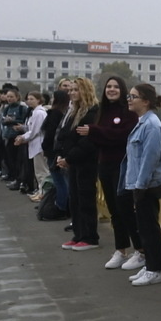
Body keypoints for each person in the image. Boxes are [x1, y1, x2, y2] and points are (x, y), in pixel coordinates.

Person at [83, 76, 143, 272]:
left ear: (123, 89)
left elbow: (121, 136)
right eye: (108, 86)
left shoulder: (128, 112)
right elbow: (104, 136)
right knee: (113, 210)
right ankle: (121, 249)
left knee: (125, 207)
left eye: (116, 86)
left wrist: (95, 132)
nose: (111, 90)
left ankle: (140, 250)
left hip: (122, 165)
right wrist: (99, 133)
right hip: (105, 163)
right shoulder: (103, 112)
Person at [121, 83, 161, 286]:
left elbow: (150, 158)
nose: (129, 100)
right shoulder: (144, 122)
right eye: (129, 96)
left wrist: (140, 187)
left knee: (149, 228)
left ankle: (156, 269)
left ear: (146, 101)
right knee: (144, 227)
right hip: (139, 183)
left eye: (134, 96)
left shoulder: (151, 125)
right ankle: (150, 264)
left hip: (146, 185)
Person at [55, 78, 101, 251]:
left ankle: (90, 237)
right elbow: (66, 135)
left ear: (85, 91)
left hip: (86, 162)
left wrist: (69, 157)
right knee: (74, 199)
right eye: (71, 90)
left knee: (85, 199)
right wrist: (63, 156)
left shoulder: (93, 111)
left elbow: (87, 142)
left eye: (76, 90)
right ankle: (78, 234)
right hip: (73, 161)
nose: (72, 93)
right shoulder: (74, 111)